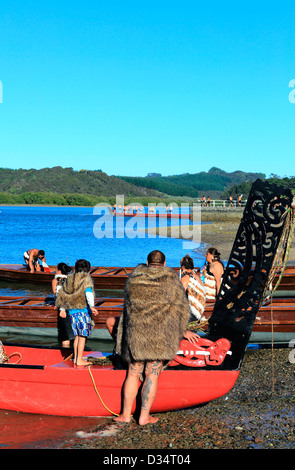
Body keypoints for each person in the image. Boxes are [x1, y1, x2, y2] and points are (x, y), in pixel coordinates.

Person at [114, 250, 191, 425]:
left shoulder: (135, 279)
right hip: (160, 336)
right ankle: (144, 416)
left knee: (133, 374)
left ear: (147, 262)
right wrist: (181, 331)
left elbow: (127, 309)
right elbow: (182, 311)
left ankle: (125, 415)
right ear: (164, 264)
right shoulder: (171, 281)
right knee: (152, 374)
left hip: (137, 334)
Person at [55, 259, 98, 365]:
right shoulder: (86, 280)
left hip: (72, 313)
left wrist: (62, 309)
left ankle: (76, 357)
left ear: (75, 269)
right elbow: (88, 294)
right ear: (88, 271)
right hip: (83, 312)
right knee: (82, 336)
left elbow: (63, 295)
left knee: (77, 337)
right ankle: (79, 359)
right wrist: (92, 306)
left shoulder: (69, 280)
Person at [52, 262, 73, 348]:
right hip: (73, 307)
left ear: (59, 270)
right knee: (72, 332)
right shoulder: (71, 280)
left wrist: (60, 308)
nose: (55, 270)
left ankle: (65, 354)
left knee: (65, 334)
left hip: (63, 307)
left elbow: (57, 294)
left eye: (56, 269)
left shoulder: (56, 280)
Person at [180, 255, 206, 322]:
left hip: (190, 313)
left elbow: (180, 296)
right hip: (199, 310)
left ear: (183, 267)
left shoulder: (185, 278)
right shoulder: (197, 277)